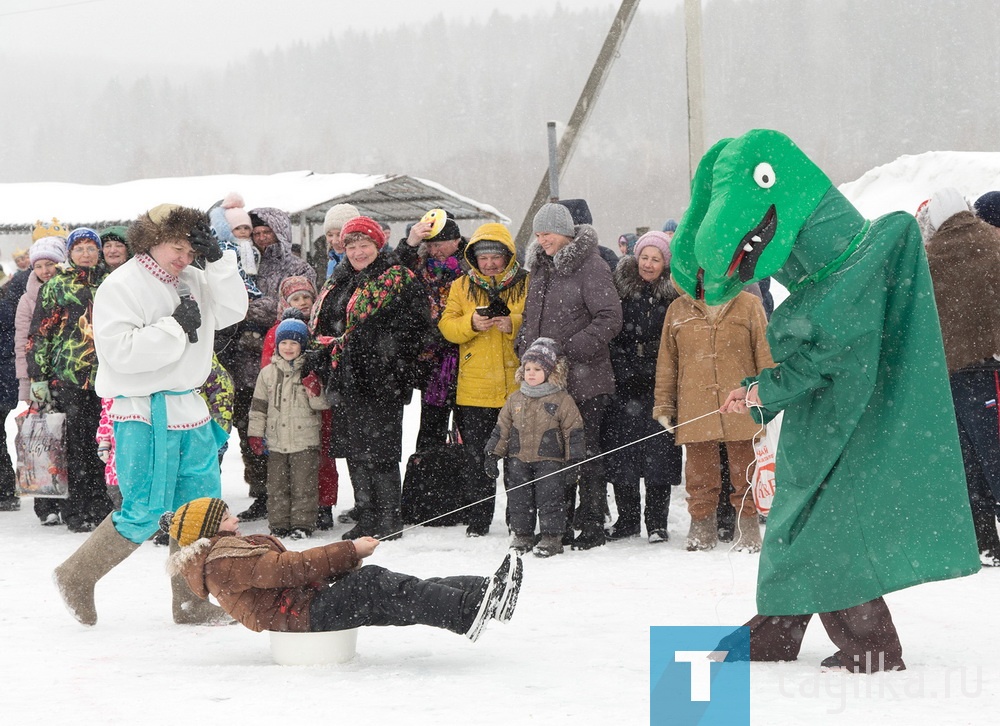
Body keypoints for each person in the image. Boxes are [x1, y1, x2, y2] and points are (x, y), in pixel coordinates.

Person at [673, 129, 979, 672]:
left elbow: (830, 355)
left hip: (848, 421)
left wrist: (761, 392)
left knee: (827, 526)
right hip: (833, 418)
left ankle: (870, 643)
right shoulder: (838, 264)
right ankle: (779, 627)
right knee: (802, 521)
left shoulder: (852, 271)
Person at [53, 203, 248, 627]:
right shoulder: (121, 285)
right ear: (151, 241)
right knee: (144, 509)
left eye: (191, 248)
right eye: (176, 247)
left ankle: (190, 601)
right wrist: (175, 327)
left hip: (191, 407)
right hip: (143, 410)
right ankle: (75, 575)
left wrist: (217, 262)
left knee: (200, 508)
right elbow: (119, 353)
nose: (184, 257)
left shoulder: (196, 276)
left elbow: (235, 311)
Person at [164, 497, 522, 640]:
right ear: (211, 530)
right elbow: (289, 568)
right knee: (373, 583)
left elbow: (293, 572)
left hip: (304, 607)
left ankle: (484, 593)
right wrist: (350, 550)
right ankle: (467, 611)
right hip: (300, 618)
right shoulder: (223, 562)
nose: (237, 518)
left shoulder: (226, 553)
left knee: (395, 591)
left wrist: (343, 562)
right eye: (228, 517)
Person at [312, 216, 430, 541]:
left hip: (382, 380)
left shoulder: (398, 279)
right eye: (351, 246)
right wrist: (324, 352)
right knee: (354, 450)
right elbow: (326, 325)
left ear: (378, 245)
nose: (358, 252)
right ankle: (366, 515)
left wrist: (382, 351)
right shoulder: (340, 281)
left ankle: (389, 519)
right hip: (344, 379)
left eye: (364, 245)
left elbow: (419, 326)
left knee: (381, 451)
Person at [517, 202, 623, 550]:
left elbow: (609, 317)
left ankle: (592, 523)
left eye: (546, 233)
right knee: (552, 454)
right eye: (537, 233)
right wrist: (525, 348)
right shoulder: (540, 268)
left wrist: (572, 350)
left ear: (563, 232)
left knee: (585, 452)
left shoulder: (590, 265)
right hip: (547, 383)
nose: (541, 239)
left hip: (586, 379)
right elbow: (531, 319)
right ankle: (556, 526)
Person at [653, 280, 773, 552]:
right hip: (695, 401)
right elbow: (667, 361)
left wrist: (767, 393)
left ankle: (748, 527)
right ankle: (701, 527)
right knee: (699, 473)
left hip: (741, 401)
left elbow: (765, 354)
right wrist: (663, 405)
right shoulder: (677, 309)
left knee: (746, 470)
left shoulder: (749, 303)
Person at [920, 188, 1000, 565]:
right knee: (996, 453)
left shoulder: (928, 259)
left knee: (968, 459)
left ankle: (984, 540)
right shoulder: (996, 243)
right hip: (993, 370)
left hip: (950, 376)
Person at [438, 222, 528, 537]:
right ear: (473, 257)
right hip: (473, 392)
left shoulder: (526, 283)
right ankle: (479, 520)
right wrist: (472, 323)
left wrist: (513, 324)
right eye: (483, 257)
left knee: (518, 461)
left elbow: (537, 320)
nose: (489, 263)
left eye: (495, 257)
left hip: (518, 387)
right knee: (479, 460)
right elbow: (447, 326)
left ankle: (520, 520)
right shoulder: (460, 286)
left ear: (508, 255)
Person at [229, 206, 316, 522]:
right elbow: (229, 301)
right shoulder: (243, 262)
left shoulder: (298, 266)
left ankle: (295, 495)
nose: (262, 238)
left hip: (285, 361)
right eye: (256, 233)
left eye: (268, 232)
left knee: (291, 432)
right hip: (243, 362)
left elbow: (293, 306)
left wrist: (249, 307)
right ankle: (262, 493)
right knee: (250, 429)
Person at [27, 227, 111, 532]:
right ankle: (76, 510)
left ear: (98, 252)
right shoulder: (57, 286)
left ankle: (101, 507)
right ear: (70, 253)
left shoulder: (110, 283)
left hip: (106, 376)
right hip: (68, 378)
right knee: (73, 448)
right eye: (80, 249)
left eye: (91, 248)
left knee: (102, 445)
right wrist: (39, 376)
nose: (86, 254)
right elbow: (39, 335)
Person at [603, 232, 683, 543]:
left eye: (656, 259)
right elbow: (611, 330)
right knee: (623, 455)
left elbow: (675, 339)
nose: (648, 264)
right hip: (623, 384)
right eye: (644, 258)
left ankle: (657, 522)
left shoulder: (674, 295)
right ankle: (628, 519)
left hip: (659, 382)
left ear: (665, 263)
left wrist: (654, 365)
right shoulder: (619, 288)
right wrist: (624, 365)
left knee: (659, 455)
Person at [485, 338, 584, 557]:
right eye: (527, 368)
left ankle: (551, 537)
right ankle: (523, 535)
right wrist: (492, 454)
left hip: (550, 461)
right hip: (518, 459)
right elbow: (501, 429)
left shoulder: (562, 399)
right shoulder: (515, 399)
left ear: (550, 372)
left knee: (550, 499)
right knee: (519, 499)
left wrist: (574, 461)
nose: (531, 373)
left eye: (537, 369)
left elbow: (573, 432)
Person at [249, 319, 330, 539]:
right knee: (277, 486)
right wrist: (255, 433)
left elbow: (322, 405)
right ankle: (278, 525)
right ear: (276, 345)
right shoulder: (267, 374)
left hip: (305, 439)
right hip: (276, 441)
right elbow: (258, 407)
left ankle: (302, 525)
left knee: (304, 485)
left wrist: (314, 388)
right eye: (283, 342)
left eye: (294, 343)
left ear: (302, 346)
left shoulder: (309, 371)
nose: (288, 347)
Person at [396, 209, 466, 452]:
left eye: (440, 244)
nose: (435, 250)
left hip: (467, 355)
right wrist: (410, 243)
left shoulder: (473, 263)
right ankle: (426, 478)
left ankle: (465, 483)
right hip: (430, 360)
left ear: (456, 241)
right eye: (431, 244)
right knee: (430, 429)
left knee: (468, 429)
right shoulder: (419, 264)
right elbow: (391, 272)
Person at [13, 236, 67, 522]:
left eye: (51, 264)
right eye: (40, 266)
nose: (45, 270)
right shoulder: (27, 299)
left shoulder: (71, 291)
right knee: (43, 442)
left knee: (68, 442)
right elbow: (22, 343)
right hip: (40, 378)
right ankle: (46, 504)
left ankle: (69, 500)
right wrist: (28, 384)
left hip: (69, 376)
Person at [323, 203, 359, 279]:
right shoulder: (332, 261)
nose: (334, 241)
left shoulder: (362, 262)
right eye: (330, 235)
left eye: (339, 234)